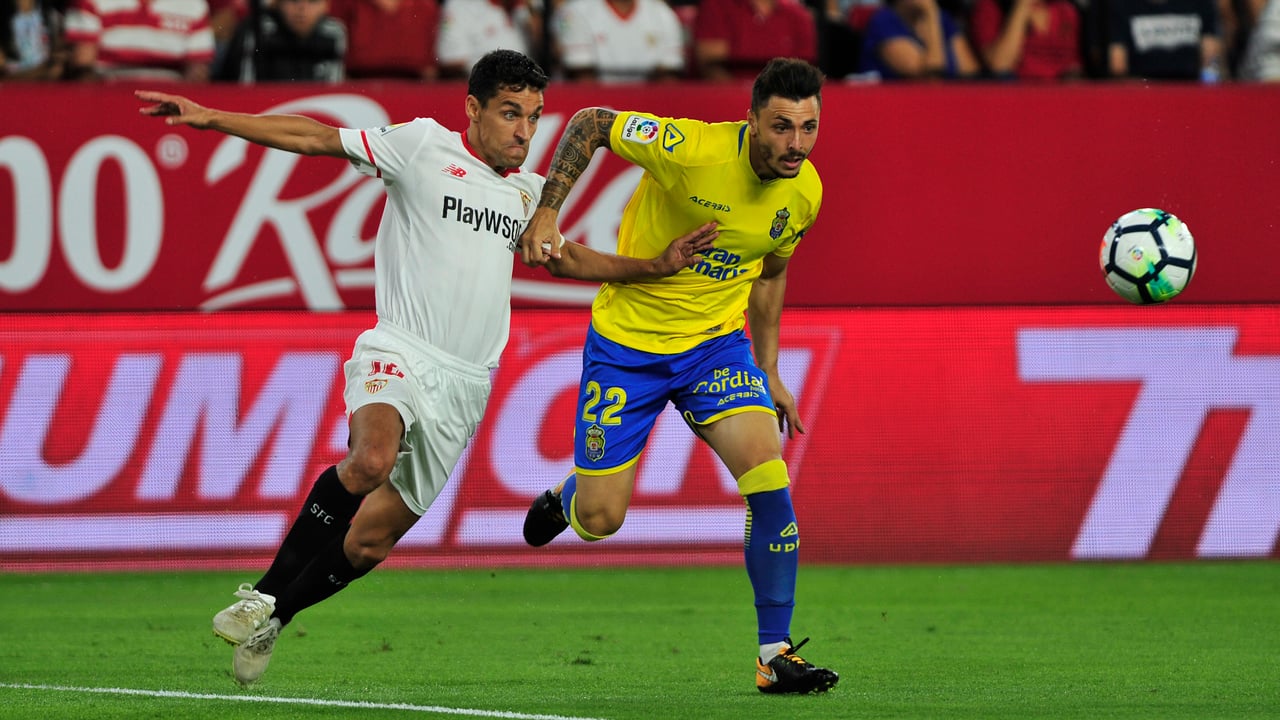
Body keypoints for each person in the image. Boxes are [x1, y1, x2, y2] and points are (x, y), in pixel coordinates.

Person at [135, 49, 718, 686]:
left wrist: (652, 267)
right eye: (510, 113)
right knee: (370, 461)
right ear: (473, 109)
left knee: (368, 544)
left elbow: (565, 259)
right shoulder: (419, 147)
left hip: (465, 388)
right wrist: (214, 118)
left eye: (535, 117)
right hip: (401, 350)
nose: (525, 131)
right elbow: (316, 137)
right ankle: (262, 595)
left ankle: (277, 617)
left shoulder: (527, 194)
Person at [517, 57, 839, 695]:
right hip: (627, 348)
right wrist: (550, 212)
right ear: (750, 121)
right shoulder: (691, 150)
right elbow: (591, 123)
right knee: (604, 518)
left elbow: (769, 274)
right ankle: (574, 492)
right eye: (781, 127)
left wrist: (769, 368)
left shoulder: (805, 192)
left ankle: (774, 655)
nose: (796, 145)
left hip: (715, 351)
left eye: (808, 128)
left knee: (770, 482)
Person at [65, 0, 215, 81]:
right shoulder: (91, 2)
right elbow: (83, 65)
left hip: (170, 98)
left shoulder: (194, 5)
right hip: (107, 94)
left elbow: (198, 71)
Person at [552, 0, 686, 82]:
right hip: (593, 107)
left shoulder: (662, 14)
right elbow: (581, 77)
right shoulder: (574, 11)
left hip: (647, 108)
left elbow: (669, 77)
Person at [214, 0, 346, 82]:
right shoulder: (257, 29)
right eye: (293, 0)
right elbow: (245, 92)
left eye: (312, 1)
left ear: (326, 5)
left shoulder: (334, 32)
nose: (302, 8)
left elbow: (333, 89)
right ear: (277, 4)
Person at [692, 0, 818, 80]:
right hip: (729, 99)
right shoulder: (716, 6)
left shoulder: (798, 16)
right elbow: (711, 66)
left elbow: (804, 72)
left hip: (783, 102)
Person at [857, 0, 980, 79]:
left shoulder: (944, 20)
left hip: (949, 104)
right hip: (900, 106)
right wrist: (931, 14)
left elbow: (969, 72)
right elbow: (931, 74)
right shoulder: (884, 22)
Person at [1107, 0, 1224, 81]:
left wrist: (1207, 88)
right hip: (1143, 90)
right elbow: (1118, 66)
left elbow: (1212, 55)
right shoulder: (1124, 5)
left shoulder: (1199, 3)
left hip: (1190, 88)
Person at [968, 0, 1083, 80]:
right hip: (1016, 99)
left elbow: (1074, 67)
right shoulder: (990, 8)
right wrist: (1022, 6)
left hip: (1061, 100)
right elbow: (1000, 66)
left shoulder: (1066, 12)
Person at [328, 0, 439, 80]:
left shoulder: (425, 5)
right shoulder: (346, 4)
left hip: (413, 85)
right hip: (359, 82)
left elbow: (429, 65)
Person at [436, 0, 538, 80]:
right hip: (482, 90)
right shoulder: (460, 5)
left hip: (527, 89)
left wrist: (533, 11)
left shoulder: (524, 9)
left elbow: (548, 57)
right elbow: (451, 59)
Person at [0, 0, 65, 79]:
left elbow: (57, 64)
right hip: (11, 88)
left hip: (45, 86)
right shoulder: (4, 17)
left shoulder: (51, 15)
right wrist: (41, 71)